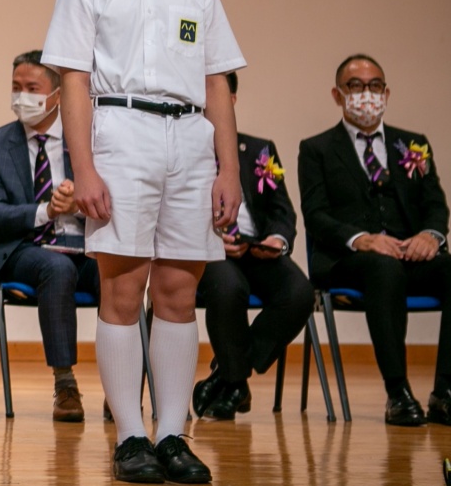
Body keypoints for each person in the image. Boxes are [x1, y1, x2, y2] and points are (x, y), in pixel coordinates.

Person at [43, 0, 244, 485]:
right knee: (123, 291)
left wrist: (229, 170)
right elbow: (74, 85)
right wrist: (84, 168)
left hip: (190, 140)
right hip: (120, 134)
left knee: (180, 293)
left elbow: (218, 85)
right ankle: (130, 433)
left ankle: (172, 434)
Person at [297, 54, 449, 426]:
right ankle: (398, 392)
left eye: (375, 85)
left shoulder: (413, 144)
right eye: (355, 85)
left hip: (409, 254)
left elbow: (435, 204)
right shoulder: (316, 149)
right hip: (349, 261)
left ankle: (445, 393)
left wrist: (430, 236)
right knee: (384, 269)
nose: (367, 94)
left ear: (387, 93)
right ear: (337, 94)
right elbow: (316, 215)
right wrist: (361, 239)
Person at [0, 50, 94, 422]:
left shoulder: (87, 139)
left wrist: (79, 203)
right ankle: (65, 383)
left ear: (58, 94)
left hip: (86, 245)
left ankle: (124, 387)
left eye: (32, 88)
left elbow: (115, 200)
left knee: (123, 271)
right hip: (24, 250)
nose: (21, 96)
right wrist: (47, 210)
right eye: (16, 87)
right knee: (56, 268)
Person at [190, 71, 314, 420]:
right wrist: (211, 238)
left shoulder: (259, 149)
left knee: (299, 293)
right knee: (229, 288)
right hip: (209, 250)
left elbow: (281, 209)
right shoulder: (183, 152)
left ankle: (228, 373)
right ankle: (235, 383)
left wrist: (277, 239)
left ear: (231, 101)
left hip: (257, 248)